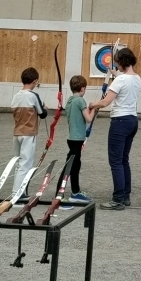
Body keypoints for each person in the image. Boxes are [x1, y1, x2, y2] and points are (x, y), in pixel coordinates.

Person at [87, 47, 141, 211]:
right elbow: (124, 81)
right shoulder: (137, 78)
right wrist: (114, 73)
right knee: (124, 160)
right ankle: (125, 196)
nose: (116, 65)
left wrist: (92, 104)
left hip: (120, 122)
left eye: (117, 63)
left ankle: (117, 199)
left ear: (122, 63)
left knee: (116, 161)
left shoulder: (120, 80)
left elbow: (105, 102)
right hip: (132, 121)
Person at [11, 67, 47, 197]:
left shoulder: (16, 96)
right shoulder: (33, 96)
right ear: (35, 81)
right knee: (25, 164)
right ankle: (17, 194)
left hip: (17, 133)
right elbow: (42, 114)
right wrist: (44, 108)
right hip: (28, 133)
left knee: (18, 163)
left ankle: (20, 191)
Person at [63, 74, 95, 202]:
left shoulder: (70, 100)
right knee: (70, 166)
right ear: (82, 88)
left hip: (72, 138)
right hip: (76, 139)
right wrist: (94, 108)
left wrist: (90, 109)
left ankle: (75, 192)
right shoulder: (80, 101)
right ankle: (59, 195)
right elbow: (88, 118)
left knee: (75, 166)